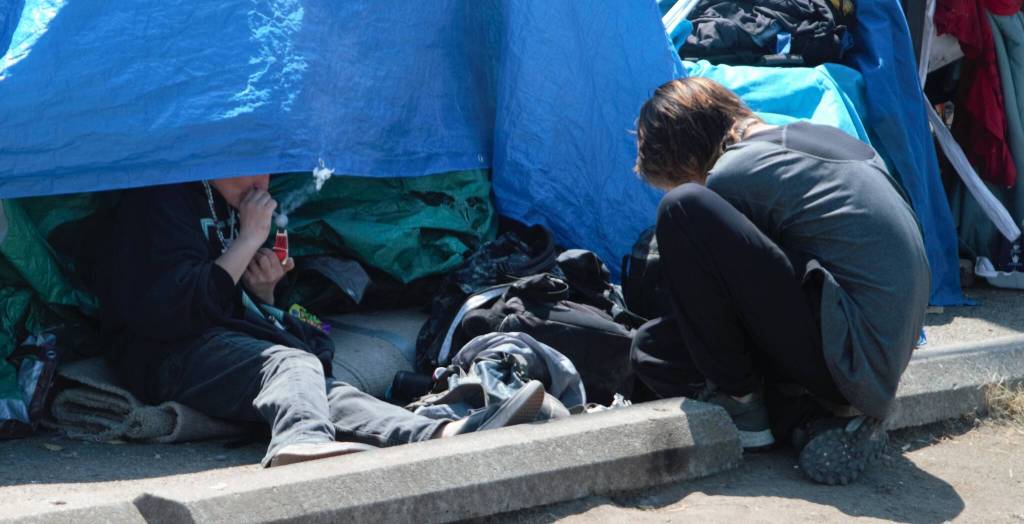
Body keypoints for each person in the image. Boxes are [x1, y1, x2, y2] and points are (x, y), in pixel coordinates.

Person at [95, 175, 547, 467]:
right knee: (293, 365)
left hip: (221, 344)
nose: (259, 180)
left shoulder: (231, 203)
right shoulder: (159, 204)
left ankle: (443, 433)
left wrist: (263, 293)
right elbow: (174, 313)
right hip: (166, 354)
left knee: (328, 391)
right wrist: (249, 239)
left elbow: (228, 306)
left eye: (265, 165)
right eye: (244, 164)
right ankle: (302, 443)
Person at [632, 78, 930, 485]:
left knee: (682, 210)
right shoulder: (807, 138)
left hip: (851, 357)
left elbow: (731, 299)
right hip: (873, 353)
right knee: (655, 347)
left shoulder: (733, 172)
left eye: (683, 175)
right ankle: (813, 419)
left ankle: (746, 405)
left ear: (688, 156)